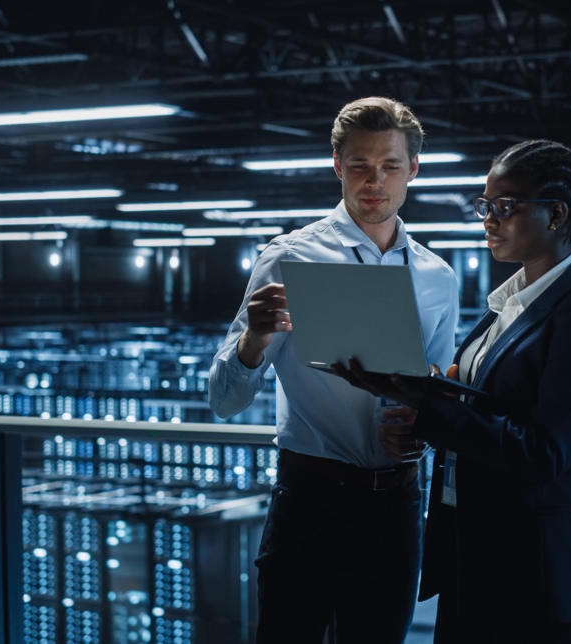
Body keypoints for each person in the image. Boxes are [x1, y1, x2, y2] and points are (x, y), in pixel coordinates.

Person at [333, 140, 571, 644]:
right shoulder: (508, 305)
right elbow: (488, 407)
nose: (488, 219)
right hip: (481, 559)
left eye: (505, 206)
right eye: (485, 205)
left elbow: (544, 451)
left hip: (542, 575)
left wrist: (430, 409)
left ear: (556, 214)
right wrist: (417, 399)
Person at [208, 96, 459, 643]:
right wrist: (254, 338)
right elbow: (224, 400)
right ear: (337, 166)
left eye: (391, 166)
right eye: (359, 166)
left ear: (412, 169)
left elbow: (437, 391)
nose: (375, 182)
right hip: (311, 502)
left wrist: (423, 431)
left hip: (398, 505)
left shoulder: (438, 277)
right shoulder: (289, 258)